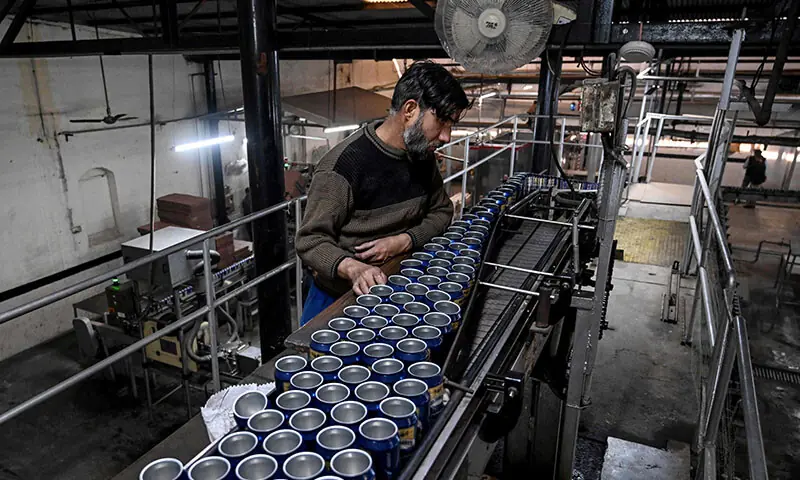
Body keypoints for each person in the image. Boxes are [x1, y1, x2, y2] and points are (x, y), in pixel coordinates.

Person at [295, 61, 470, 326]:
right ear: (410, 110)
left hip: (401, 284)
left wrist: (404, 241)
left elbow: (442, 210)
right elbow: (310, 240)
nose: (446, 136)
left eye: (451, 125)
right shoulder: (343, 166)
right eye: (442, 122)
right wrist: (352, 267)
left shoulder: (422, 156)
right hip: (340, 299)